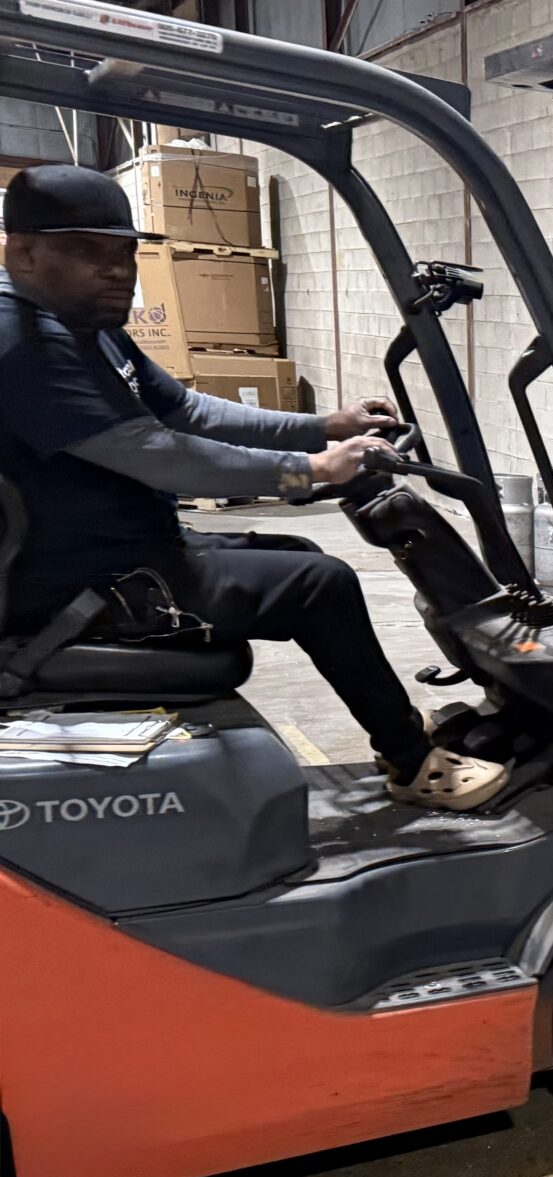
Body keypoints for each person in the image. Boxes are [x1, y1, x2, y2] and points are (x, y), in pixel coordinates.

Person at [0, 164, 507, 811]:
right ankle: (413, 762)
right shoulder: (24, 343)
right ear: (23, 252)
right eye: (86, 252)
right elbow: (165, 459)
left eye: (125, 253)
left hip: (124, 552)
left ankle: (400, 737)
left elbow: (189, 411)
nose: (116, 271)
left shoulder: (87, 330)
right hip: (80, 588)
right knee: (321, 584)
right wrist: (314, 469)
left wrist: (326, 426)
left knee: (300, 555)